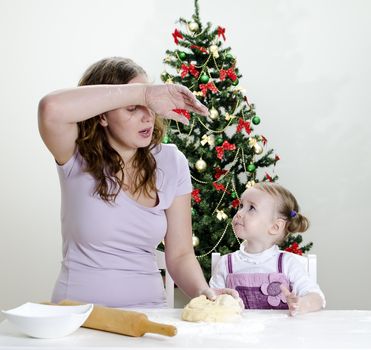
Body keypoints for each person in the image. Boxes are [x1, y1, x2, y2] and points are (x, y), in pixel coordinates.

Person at [38, 56, 238, 308]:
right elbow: (50, 108)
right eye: (133, 107)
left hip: (149, 317)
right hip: (79, 318)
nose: (147, 116)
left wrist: (203, 291)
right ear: (102, 116)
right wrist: (143, 93)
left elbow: (180, 254)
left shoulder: (170, 161)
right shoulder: (75, 156)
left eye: (149, 105)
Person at [209, 182, 326, 316]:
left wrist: (302, 304)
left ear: (275, 227)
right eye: (241, 206)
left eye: (251, 208)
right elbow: (211, 300)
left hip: (279, 335)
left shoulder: (287, 264)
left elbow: (318, 298)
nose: (239, 213)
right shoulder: (226, 264)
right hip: (237, 334)